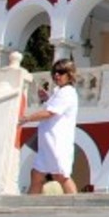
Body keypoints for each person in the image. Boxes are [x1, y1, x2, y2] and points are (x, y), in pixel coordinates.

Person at [19, 59, 80, 195]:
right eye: (55, 72)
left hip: (57, 142)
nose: (57, 75)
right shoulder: (59, 91)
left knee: (61, 176)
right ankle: (29, 208)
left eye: (61, 72)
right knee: (36, 175)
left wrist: (27, 118)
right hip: (48, 143)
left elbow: (50, 113)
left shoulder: (67, 92)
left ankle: (76, 205)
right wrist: (47, 99)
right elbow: (54, 108)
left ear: (70, 74)